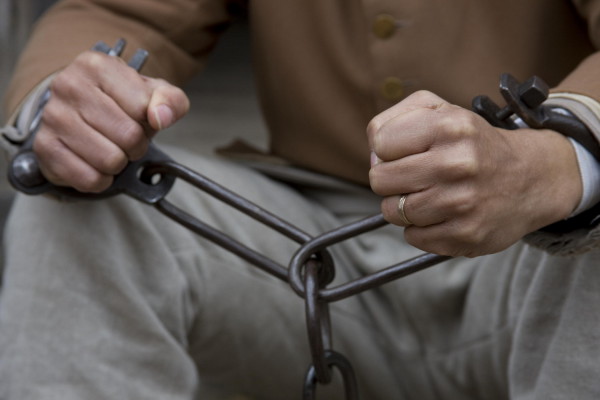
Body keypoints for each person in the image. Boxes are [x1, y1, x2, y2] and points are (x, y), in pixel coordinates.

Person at [1, 0, 600, 399]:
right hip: (305, 252)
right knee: (80, 194)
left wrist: (554, 163)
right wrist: (75, 110)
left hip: (532, 263)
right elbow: (120, 11)